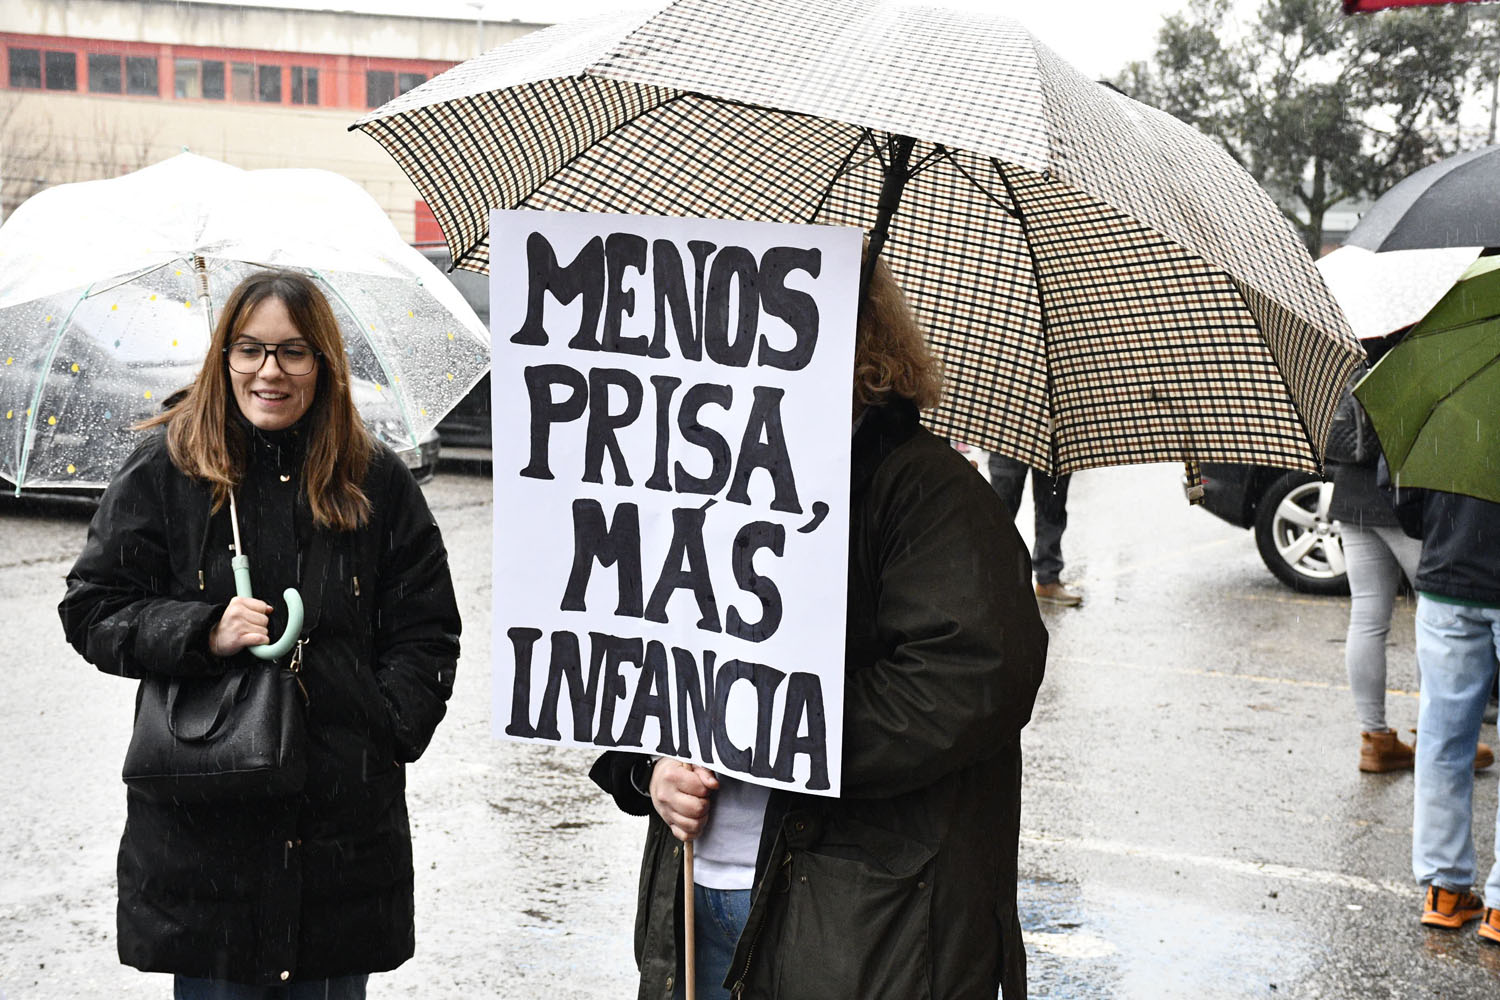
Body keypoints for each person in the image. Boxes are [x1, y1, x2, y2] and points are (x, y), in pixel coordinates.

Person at [590, 254, 1049, 999]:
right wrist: (648, 769)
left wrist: (772, 734)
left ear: (855, 344)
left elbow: (971, 678)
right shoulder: (691, 477)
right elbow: (643, 657)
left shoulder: (931, 493)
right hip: (695, 895)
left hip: (856, 928)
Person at [58, 270, 462, 997]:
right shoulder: (169, 466)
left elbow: (426, 627)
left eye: (292, 351)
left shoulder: (372, 477)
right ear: (225, 358)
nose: (269, 371)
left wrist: (387, 725)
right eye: (249, 349)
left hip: (340, 835)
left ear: (323, 362)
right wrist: (202, 631)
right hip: (206, 831)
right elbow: (92, 608)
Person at [1390, 481, 1500, 943]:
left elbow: (1400, 490)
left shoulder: (1445, 429)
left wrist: (1446, 527)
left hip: (1449, 572)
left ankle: (1444, 890)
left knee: (1441, 740)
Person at [987, 452, 1081, 606]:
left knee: (1052, 509)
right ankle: (990, 580)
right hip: (1011, 443)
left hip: (1053, 446)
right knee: (1000, 514)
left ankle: (1048, 580)